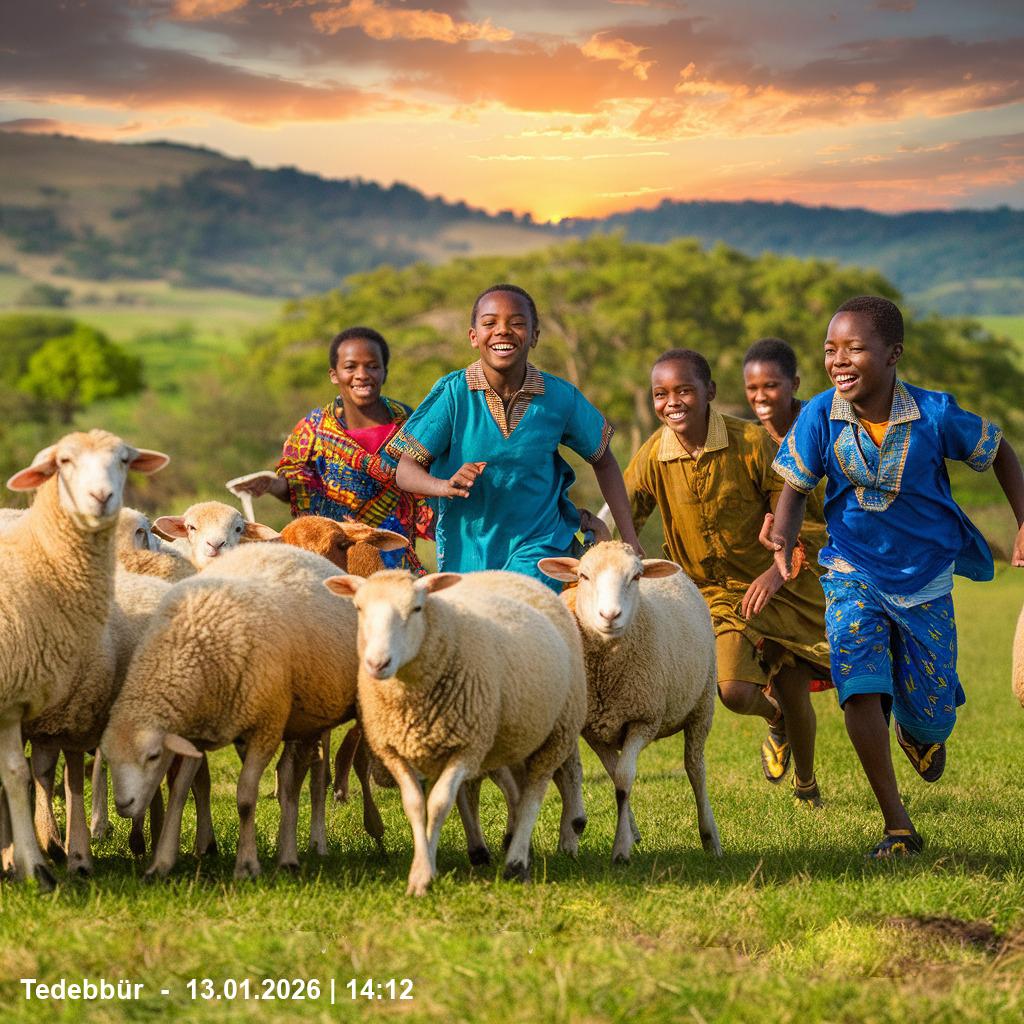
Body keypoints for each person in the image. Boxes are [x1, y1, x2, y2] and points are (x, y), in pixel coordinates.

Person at [768, 295, 1024, 858]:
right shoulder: (818, 414)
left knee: (931, 721)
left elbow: (1000, 450)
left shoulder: (933, 414)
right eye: (831, 349)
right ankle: (898, 827)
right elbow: (794, 486)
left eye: (855, 348)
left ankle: (918, 731)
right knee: (860, 687)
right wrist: (782, 542)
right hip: (851, 569)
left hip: (926, 578)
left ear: (893, 355)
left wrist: (1023, 522)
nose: (839, 360)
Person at [625, 348, 831, 806]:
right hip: (713, 595)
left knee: (796, 684)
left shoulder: (752, 442)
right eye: (661, 394)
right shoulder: (652, 455)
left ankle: (807, 785)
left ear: (710, 393)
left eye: (684, 391)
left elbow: (794, 511)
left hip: (780, 582)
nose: (672, 402)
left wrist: (774, 573)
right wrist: (600, 547)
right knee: (735, 691)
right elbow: (625, 512)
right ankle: (771, 717)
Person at [387, 283, 642, 590]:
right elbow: (406, 469)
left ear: (534, 336)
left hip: (540, 544)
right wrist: (444, 485)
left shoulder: (560, 398)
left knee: (522, 608)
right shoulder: (453, 395)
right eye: (490, 323)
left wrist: (629, 539)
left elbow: (603, 460)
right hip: (468, 549)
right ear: (473, 337)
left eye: (517, 323)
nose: (503, 331)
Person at [236, 326, 432, 572]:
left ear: (385, 372)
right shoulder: (313, 429)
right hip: (326, 556)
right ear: (334, 374)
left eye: (372, 366)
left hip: (391, 552)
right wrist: (269, 484)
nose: (361, 375)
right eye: (350, 367)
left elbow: (426, 479)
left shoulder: (409, 424)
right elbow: (295, 486)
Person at [744, 337, 834, 706]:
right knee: (774, 666)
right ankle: (777, 719)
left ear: (794, 384)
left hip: (830, 562)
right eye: (752, 388)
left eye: (771, 385)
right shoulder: (749, 441)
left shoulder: (823, 424)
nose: (760, 396)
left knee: (856, 668)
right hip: (772, 561)